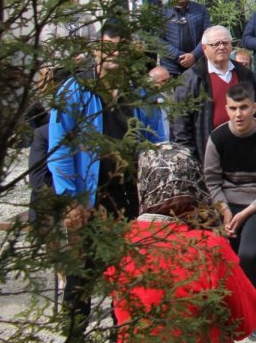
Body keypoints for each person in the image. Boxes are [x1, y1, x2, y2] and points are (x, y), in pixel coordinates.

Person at [49, 28, 165, 339]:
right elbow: (59, 151)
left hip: (129, 196)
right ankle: (74, 334)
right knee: (82, 275)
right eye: (106, 46)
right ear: (94, 50)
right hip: (89, 198)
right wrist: (71, 202)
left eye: (119, 46)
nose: (113, 52)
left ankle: (122, 334)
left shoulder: (139, 91)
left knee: (128, 273)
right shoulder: (75, 90)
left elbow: (157, 141)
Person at [106, 143, 256, 342]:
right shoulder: (209, 246)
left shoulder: (122, 244)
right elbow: (245, 322)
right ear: (196, 184)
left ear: (143, 185)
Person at [203, 82, 256, 341]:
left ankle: (253, 311)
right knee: (218, 249)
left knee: (250, 252)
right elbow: (211, 180)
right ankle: (225, 308)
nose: (238, 114)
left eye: (244, 108)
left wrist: (246, 212)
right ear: (225, 108)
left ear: (254, 108)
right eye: (233, 108)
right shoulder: (218, 137)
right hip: (225, 204)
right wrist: (224, 210)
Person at [174, 26, 256, 161]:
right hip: (206, 152)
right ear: (204, 49)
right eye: (216, 44)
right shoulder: (191, 79)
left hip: (244, 148)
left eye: (225, 43)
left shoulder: (244, 73)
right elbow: (181, 124)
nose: (221, 47)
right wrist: (191, 158)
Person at [159, 0, 211, 76]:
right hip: (170, 67)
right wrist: (179, 56)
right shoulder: (161, 11)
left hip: (196, 66)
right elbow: (157, 39)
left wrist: (194, 55)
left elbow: (208, 35)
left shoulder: (200, 10)